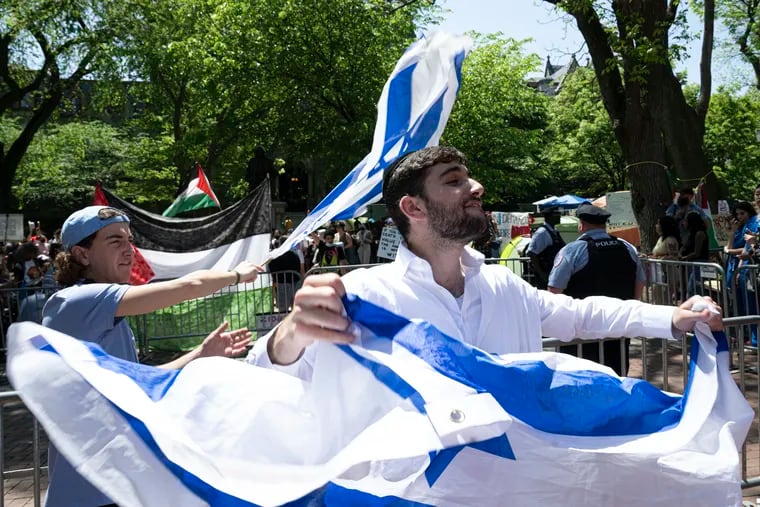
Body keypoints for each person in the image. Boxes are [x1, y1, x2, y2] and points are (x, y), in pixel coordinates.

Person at [246, 145, 719, 384]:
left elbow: (582, 314)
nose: (477, 188)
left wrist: (672, 317)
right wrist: (292, 332)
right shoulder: (365, 297)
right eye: (454, 181)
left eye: (470, 178)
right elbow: (263, 375)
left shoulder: (503, 286)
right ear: (413, 208)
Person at [41, 205, 262, 507]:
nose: (130, 250)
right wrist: (237, 274)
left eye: (129, 240)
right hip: (91, 492)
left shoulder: (101, 312)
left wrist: (200, 354)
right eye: (115, 240)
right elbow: (188, 285)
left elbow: (140, 383)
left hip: (123, 484)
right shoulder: (77, 301)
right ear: (82, 254)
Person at [547, 203, 645, 375]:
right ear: (604, 224)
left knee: (580, 380)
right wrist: (631, 309)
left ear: (581, 224)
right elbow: (641, 281)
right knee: (617, 375)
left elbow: (554, 290)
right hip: (618, 328)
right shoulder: (627, 247)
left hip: (581, 332)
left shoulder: (572, 250)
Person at [526, 206, 565, 289]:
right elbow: (532, 253)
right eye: (557, 214)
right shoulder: (542, 233)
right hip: (546, 275)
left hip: (554, 273)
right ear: (550, 217)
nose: (559, 216)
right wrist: (541, 273)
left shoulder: (554, 231)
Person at [649, 215, 681, 305]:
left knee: (665, 298)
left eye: (658, 223)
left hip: (668, 273)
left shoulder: (670, 240)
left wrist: (659, 259)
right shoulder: (661, 238)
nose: (656, 225)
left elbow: (674, 257)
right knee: (658, 297)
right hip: (660, 272)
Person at [680, 211, 709, 296]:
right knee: (689, 287)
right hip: (691, 264)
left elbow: (697, 252)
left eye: (685, 221)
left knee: (693, 288)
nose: (683, 223)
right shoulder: (690, 234)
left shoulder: (699, 234)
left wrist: (684, 258)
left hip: (699, 263)